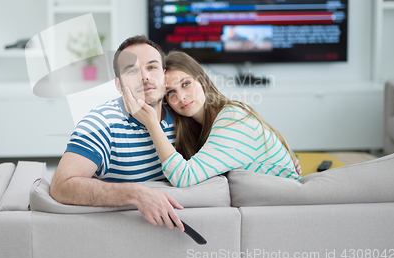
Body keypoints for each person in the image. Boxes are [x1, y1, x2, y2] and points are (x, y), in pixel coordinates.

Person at [50, 35, 185, 232]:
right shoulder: (100, 124)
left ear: (164, 76)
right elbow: (61, 186)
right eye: (132, 70)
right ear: (119, 85)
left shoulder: (183, 115)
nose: (145, 76)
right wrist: (135, 193)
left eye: (152, 67)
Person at [123, 50, 301, 188]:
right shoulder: (199, 128)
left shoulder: (232, 119)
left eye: (186, 84)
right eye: (171, 92)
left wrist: (152, 124)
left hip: (286, 206)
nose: (182, 97)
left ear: (203, 81)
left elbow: (184, 176)